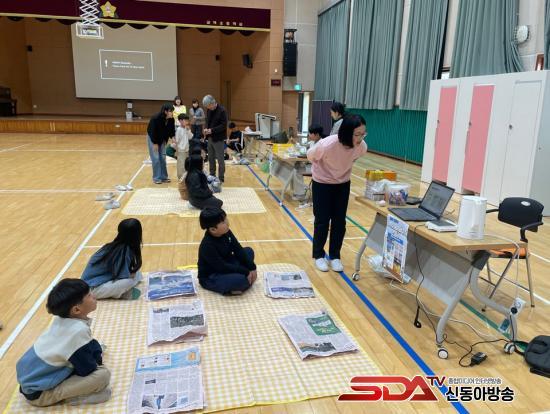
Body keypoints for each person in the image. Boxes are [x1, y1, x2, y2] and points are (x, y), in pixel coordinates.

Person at [16, 279, 111, 407]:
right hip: (39, 394)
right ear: (76, 310)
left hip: (31, 382)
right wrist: (97, 356)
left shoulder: (60, 320)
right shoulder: (77, 331)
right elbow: (87, 369)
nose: (94, 296)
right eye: (89, 295)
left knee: (93, 348)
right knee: (103, 375)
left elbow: (86, 346)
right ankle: (71, 398)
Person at [307, 114, 367, 272]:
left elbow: (354, 157)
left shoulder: (361, 146)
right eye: (357, 134)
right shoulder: (327, 145)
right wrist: (325, 170)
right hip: (322, 183)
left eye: (363, 134)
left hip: (342, 184)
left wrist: (342, 169)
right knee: (322, 220)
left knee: (339, 222)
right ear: (346, 132)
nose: (360, 138)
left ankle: (335, 256)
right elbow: (310, 156)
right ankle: (318, 255)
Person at [197, 207, 257, 295]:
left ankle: (241, 280)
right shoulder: (207, 245)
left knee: (248, 251)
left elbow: (238, 249)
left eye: (226, 219)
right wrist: (246, 271)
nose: (228, 222)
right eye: (223, 222)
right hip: (212, 274)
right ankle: (233, 285)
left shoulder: (226, 232)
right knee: (241, 280)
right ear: (213, 229)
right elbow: (222, 267)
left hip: (227, 262)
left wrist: (252, 267)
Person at [81, 218, 143, 300]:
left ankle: (119, 293)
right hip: (90, 290)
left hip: (97, 283)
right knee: (129, 281)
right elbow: (123, 276)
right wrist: (131, 275)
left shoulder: (116, 246)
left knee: (137, 274)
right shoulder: (123, 250)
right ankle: (120, 294)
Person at [147, 103, 175, 184]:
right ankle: (156, 178)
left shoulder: (171, 119)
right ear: (165, 111)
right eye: (170, 111)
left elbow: (171, 130)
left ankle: (164, 177)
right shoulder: (156, 118)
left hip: (162, 139)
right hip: (153, 138)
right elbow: (152, 131)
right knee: (156, 158)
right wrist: (155, 143)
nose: (172, 113)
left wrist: (173, 137)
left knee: (162, 158)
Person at [202, 95, 228, 183]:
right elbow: (207, 121)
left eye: (208, 106)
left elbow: (223, 125)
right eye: (207, 107)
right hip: (210, 138)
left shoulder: (222, 110)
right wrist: (206, 129)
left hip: (219, 139)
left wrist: (212, 130)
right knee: (211, 157)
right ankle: (212, 175)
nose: (208, 108)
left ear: (213, 103)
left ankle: (221, 178)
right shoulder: (209, 110)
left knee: (220, 159)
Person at [175, 113, 192, 180]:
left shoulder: (186, 128)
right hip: (181, 150)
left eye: (187, 120)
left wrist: (188, 130)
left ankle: (185, 177)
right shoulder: (178, 129)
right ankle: (181, 178)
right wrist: (176, 151)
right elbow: (177, 141)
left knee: (186, 164)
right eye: (185, 120)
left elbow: (190, 137)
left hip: (187, 149)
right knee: (181, 165)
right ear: (180, 121)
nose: (187, 122)